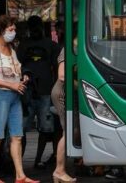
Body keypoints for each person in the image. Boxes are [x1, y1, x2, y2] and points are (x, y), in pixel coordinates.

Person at [0, 15, 39, 183]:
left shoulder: (12, 49)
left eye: (14, 29)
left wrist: (22, 78)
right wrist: (11, 86)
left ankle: (20, 175)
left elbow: (16, 71)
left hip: (15, 95)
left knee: (17, 136)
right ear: (1, 31)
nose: (13, 32)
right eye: (10, 29)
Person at [17, 15, 61, 168]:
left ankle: (36, 160)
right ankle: (27, 161)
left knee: (45, 129)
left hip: (44, 91)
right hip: (28, 92)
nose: (35, 30)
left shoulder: (50, 45)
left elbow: (57, 67)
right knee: (22, 129)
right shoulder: (24, 45)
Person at [51, 48, 76, 183]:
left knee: (72, 131)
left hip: (69, 93)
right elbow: (61, 75)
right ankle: (59, 171)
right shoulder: (67, 49)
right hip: (62, 93)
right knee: (68, 132)